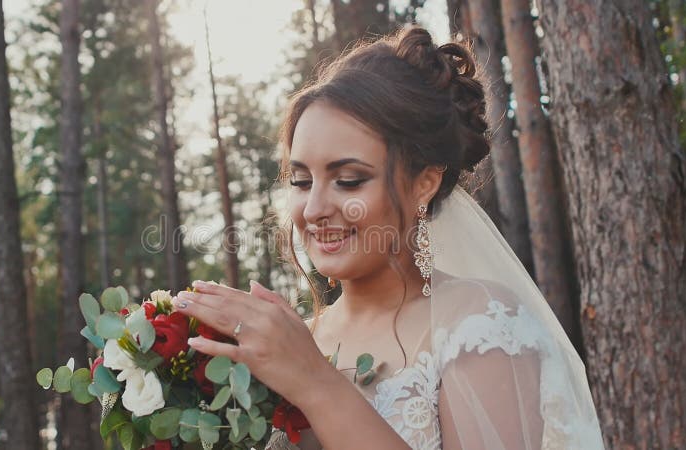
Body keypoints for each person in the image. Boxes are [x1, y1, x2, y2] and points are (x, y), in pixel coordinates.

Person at [170, 26, 604, 449]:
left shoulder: (480, 325)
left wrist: (316, 384)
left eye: (350, 180)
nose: (316, 208)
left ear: (423, 184)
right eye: (301, 182)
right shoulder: (294, 340)